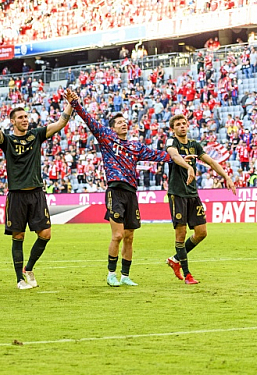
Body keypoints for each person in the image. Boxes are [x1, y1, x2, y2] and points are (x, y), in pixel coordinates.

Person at [65, 90, 183, 286]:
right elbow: (89, 119)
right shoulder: (106, 138)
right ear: (112, 127)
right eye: (119, 122)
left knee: (129, 237)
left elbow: (159, 155)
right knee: (118, 235)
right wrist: (75, 104)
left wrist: (180, 158)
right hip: (115, 191)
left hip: (131, 193)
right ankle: (111, 274)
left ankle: (125, 276)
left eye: (125, 121)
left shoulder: (135, 146)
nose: (123, 123)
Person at [0, 98, 73, 290]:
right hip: (17, 195)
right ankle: (19, 280)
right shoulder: (8, 141)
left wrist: (70, 103)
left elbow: (61, 122)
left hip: (36, 193)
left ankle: (29, 268)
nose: (25, 119)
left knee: (46, 234)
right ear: (13, 121)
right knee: (18, 237)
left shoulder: (36, 135)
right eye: (20, 117)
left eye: (26, 116)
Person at [165, 114, 236, 284]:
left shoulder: (194, 145)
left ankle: (175, 259)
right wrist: (188, 165)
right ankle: (187, 275)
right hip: (177, 194)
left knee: (202, 232)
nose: (182, 126)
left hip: (193, 194)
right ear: (173, 129)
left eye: (184, 123)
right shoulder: (171, 142)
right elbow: (174, 156)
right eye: (178, 125)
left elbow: (211, 162)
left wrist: (226, 176)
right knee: (180, 234)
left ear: (188, 125)